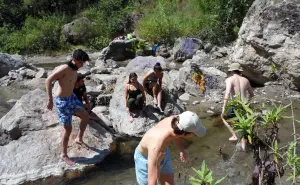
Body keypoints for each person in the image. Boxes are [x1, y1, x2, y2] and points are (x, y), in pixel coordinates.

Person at [134, 111, 206, 185]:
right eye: (195, 134)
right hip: (146, 158)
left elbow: (176, 134)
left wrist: (181, 149)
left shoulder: (177, 121)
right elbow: (151, 183)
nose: (194, 135)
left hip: (164, 153)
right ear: (187, 134)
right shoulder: (156, 147)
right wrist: (158, 164)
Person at [45, 49, 90, 166]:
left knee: (86, 116)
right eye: (81, 62)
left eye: (83, 63)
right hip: (62, 101)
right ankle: (63, 154)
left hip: (72, 98)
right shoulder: (64, 68)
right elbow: (48, 80)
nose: (82, 65)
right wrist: (50, 99)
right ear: (74, 60)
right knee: (68, 129)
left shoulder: (75, 69)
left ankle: (79, 138)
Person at [221, 62, 254, 150]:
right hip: (246, 104)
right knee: (244, 122)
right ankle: (245, 140)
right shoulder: (246, 80)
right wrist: (247, 103)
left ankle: (235, 135)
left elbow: (227, 93)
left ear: (232, 71)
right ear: (239, 71)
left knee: (225, 118)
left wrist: (224, 107)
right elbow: (251, 94)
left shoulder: (230, 79)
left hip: (235, 104)